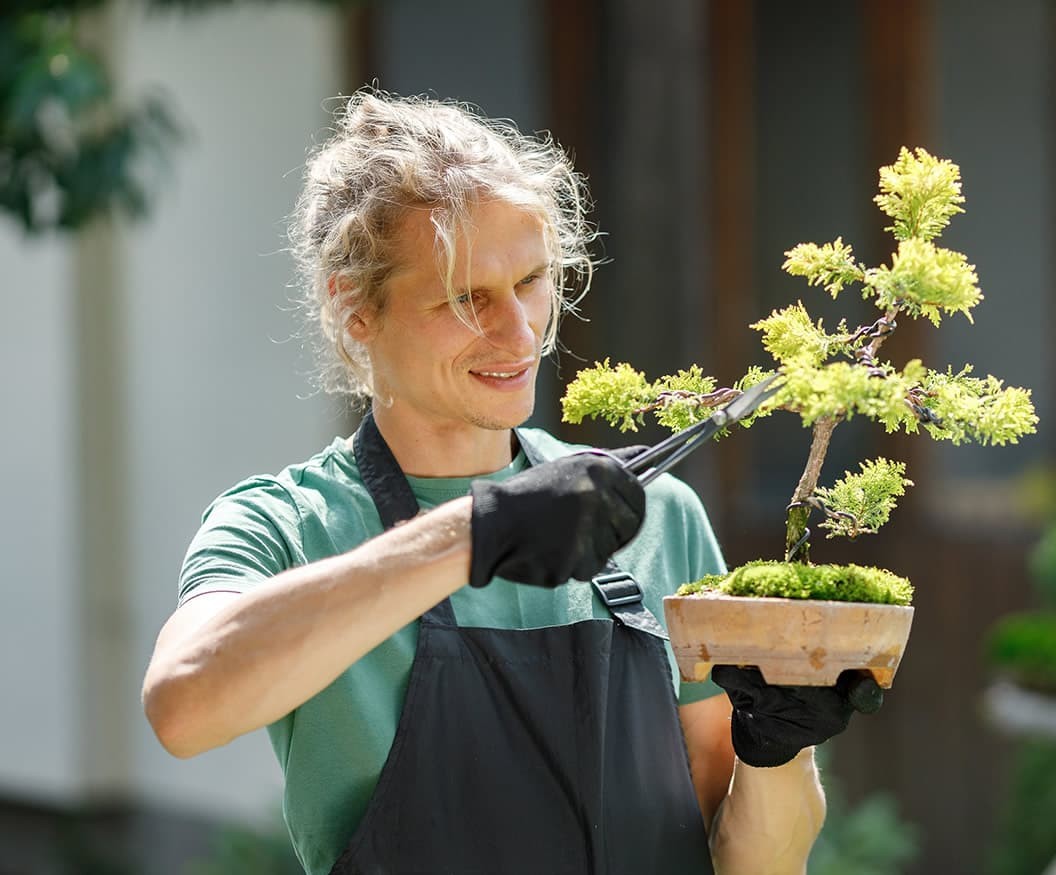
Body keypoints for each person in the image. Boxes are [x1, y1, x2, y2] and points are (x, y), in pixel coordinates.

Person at [141, 90, 871, 875]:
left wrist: (778, 751)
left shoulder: (653, 517)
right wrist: (474, 532)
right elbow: (184, 703)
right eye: (466, 297)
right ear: (354, 307)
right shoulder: (287, 526)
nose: (520, 334)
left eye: (530, 280)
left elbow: (749, 861)